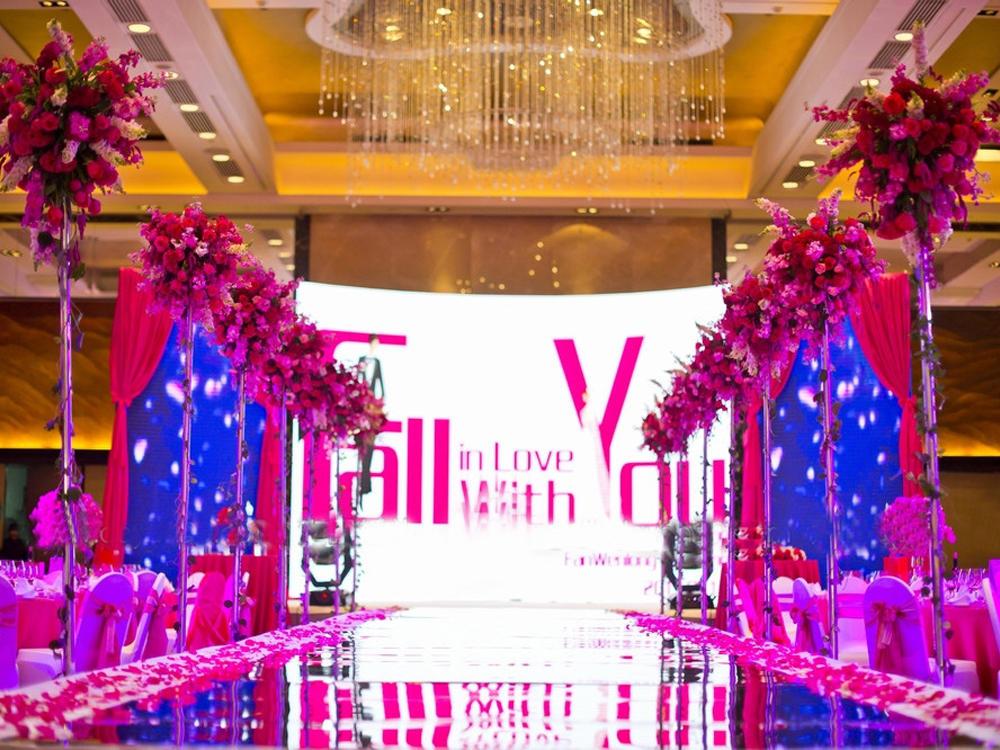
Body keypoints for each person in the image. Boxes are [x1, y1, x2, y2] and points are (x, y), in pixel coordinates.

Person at [357, 334, 384, 496]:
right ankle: (363, 481)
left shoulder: (377, 362)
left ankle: (366, 482)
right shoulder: (362, 359)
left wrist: (380, 401)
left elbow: (380, 382)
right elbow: (358, 379)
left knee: (370, 442)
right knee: (362, 444)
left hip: (372, 406)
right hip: (362, 404)